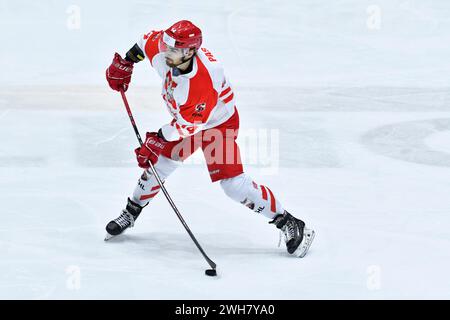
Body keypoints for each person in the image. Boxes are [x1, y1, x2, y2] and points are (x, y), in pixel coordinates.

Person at [104, 20, 315, 257]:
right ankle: (131, 212)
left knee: (234, 186)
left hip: (218, 125)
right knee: (159, 165)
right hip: (189, 121)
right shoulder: (169, 50)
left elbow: (188, 127)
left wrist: (158, 139)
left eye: (172, 50)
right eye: (166, 46)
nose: (165, 53)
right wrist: (127, 61)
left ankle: (289, 222)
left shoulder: (201, 83)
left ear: (190, 51)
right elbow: (145, 42)